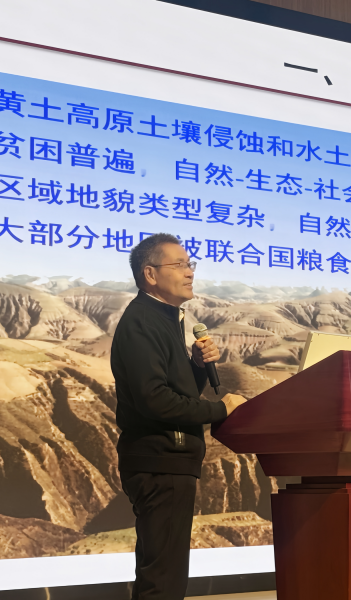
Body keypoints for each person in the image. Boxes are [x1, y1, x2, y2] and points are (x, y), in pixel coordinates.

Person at [111, 233, 247, 600]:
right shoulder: (143, 321)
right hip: (160, 460)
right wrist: (221, 409)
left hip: (169, 461)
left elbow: (175, 390)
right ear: (150, 274)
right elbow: (154, 400)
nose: (190, 272)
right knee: (163, 580)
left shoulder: (166, 318)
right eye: (180, 265)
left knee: (166, 576)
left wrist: (197, 368)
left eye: (191, 264)